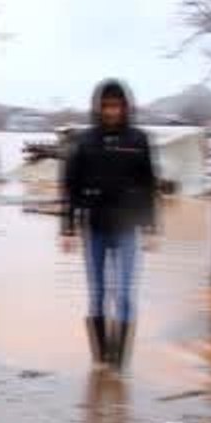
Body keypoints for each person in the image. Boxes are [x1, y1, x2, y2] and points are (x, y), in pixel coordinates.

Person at [60, 78, 158, 368]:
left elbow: (148, 183)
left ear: (125, 107)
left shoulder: (139, 140)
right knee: (98, 295)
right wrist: (67, 228)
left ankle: (119, 365)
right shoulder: (84, 140)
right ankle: (101, 361)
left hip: (128, 228)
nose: (111, 111)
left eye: (116, 105)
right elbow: (70, 185)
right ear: (98, 108)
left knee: (125, 295)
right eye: (106, 106)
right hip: (95, 228)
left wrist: (151, 227)